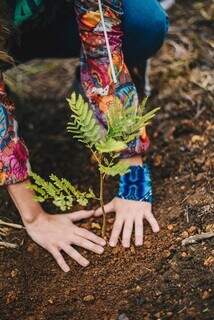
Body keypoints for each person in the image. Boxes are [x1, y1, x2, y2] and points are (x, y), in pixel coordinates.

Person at [0, 0, 169, 272]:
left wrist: (134, 179)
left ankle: (91, 92)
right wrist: (34, 218)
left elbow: (105, 48)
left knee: (143, 24)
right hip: (9, 36)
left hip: (53, 22)